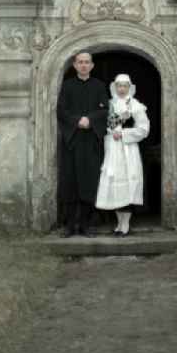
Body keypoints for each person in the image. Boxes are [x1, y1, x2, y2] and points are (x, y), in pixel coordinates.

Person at [56, 51, 108, 237]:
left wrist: (91, 120)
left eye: (87, 62)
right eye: (80, 62)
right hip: (72, 141)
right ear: (75, 65)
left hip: (91, 142)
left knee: (89, 182)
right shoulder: (67, 86)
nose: (84, 65)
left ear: (92, 65)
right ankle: (70, 226)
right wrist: (77, 120)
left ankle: (86, 225)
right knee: (70, 182)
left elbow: (105, 110)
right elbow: (61, 110)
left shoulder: (99, 86)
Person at [96, 73, 149, 237]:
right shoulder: (109, 104)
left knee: (128, 185)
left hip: (128, 151)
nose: (121, 89)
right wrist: (110, 132)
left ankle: (125, 224)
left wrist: (124, 133)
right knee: (114, 186)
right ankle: (118, 223)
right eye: (119, 85)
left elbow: (144, 129)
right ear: (114, 87)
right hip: (112, 149)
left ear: (129, 87)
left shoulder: (135, 106)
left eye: (125, 86)